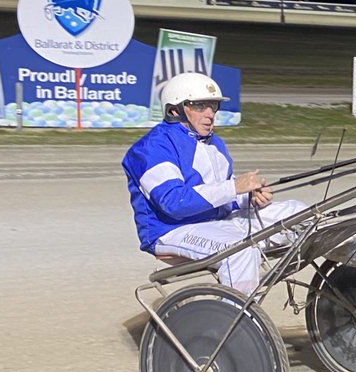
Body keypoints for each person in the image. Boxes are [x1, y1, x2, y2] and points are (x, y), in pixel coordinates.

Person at [122, 72, 308, 295]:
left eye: (213, 106)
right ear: (175, 110)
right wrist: (234, 187)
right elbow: (174, 202)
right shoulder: (152, 148)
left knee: (301, 214)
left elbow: (222, 198)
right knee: (241, 251)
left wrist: (249, 197)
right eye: (199, 106)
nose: (210, 114)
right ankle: (240, 321)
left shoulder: (215, 143)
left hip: (219, 222)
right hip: (172, 231)